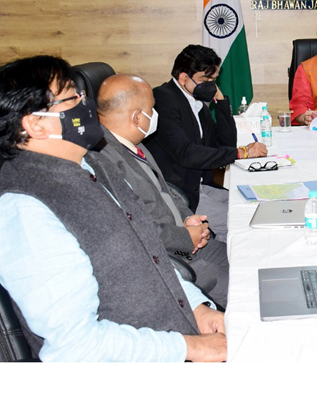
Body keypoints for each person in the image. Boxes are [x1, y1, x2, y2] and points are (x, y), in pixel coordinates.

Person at [0, 55, 226, 362]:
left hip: (176, 335)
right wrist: (191, 348)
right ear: (35, 124)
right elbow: (74, 348)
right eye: (72, 99)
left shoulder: (91, 163)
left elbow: (151, 256)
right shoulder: (26, 212)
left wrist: (197, 308)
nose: (87, 106)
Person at [96, 74, 229, 308]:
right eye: (152, 109)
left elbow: (166, 190)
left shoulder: (135, 144)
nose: (155, 115)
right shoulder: (104, 163)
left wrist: (188, 217)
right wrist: (186, 238)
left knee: (247, 257)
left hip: (188, 240)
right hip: (173, 259)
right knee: (249, 292)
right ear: (138, 117)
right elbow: (136, 228)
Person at [144, 45, 267, 242]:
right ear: (184, 78)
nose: (210, 85)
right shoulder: (164, 99)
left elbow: (224, 142)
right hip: (182, 194)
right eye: (205, 80)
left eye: (214, 80)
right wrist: (241, 152)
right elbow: (187, 153)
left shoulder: (195, 101)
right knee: (245, 226)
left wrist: (220, 101)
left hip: (203, 185)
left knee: (257, 208)